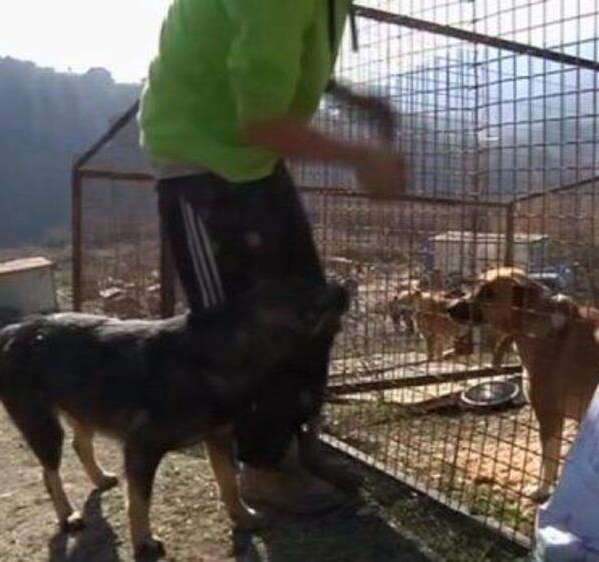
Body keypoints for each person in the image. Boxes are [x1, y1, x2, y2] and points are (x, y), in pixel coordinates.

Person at [138, 0, 406, 512]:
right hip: (199, 161)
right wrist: (362, 156)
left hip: (254, 163)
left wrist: (347, 95)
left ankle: (298, 450)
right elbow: (262, 120)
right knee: (236, 332)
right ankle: (262, 468)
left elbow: (283, 56)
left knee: (313, 310)